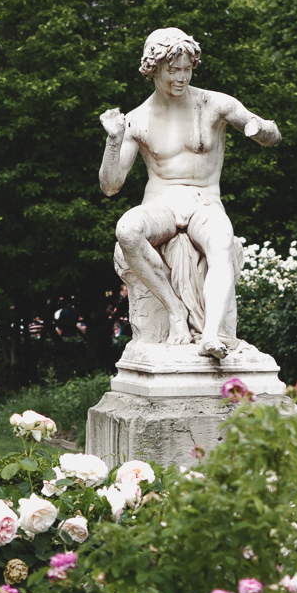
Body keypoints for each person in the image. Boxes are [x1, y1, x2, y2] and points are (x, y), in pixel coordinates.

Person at [98, 28, 279, 359]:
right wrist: (113, 140)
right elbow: (111, 186)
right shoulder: (137, 120)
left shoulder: (215, 103)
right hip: (161, 204)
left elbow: (270, 132)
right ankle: (175, 312)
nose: (181, 77)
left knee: (222, 241)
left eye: (187, 69)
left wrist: (259, 130)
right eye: (173, 70)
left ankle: (212, 334)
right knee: (127, 229)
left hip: (204, 201)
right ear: (153, 69)